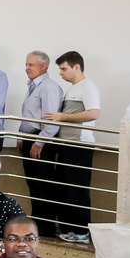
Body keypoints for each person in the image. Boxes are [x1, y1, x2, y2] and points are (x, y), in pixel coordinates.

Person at [48, 51, 101, 243]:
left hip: (79, 145)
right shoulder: (72, 89)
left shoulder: (88, 87)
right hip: (67, 144)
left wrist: (62, 117)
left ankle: (81, 232)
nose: (61, 73)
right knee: (66, 189)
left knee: (77, 189)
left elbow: (93, 113)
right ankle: (70, 229)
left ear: (76, 67)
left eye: (64, 69)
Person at [17, 50, 64, 237]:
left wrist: (40, 142)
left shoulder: (48, 87)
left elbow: (51, 120)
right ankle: (38, 225)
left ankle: (45, 228)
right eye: (26, 65)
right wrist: (21, 137)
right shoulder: (34, 86)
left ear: (44, 66)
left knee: (43, 185)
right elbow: (28, 115)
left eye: (31, 65)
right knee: (33, 184)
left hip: (41, 141)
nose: (27, 68)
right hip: (31, 139)